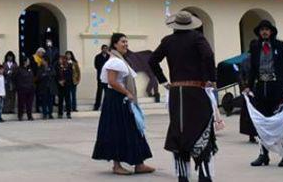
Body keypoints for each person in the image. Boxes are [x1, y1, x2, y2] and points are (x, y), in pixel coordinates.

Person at [149, 11, 217, 182]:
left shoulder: (168, 41)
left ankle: (182, 175)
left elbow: (152, 60)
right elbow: (208, 55)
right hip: (196, 91)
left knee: (179, 130)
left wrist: (163, 80)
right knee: (201, 129)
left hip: (176, 91)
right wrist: (211, 79)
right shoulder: (197, 38)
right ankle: (204, 174)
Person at [92, 33, 155, 176]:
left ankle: (139, 164)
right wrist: (127, 93)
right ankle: (117, 165)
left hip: (120, 99)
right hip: (117, 100)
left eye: (127, 41)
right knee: (118, 131)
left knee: (133, 130)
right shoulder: (115, 61)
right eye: (122, 42)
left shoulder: (120, 60)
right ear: (115, 44)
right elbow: (112, 82)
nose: (126, 44)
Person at [240, 19, 283, 168]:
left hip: (276, 86)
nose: (264, 32)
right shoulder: (255, 46)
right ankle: (263, 154)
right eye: (262, 29)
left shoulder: (280, 46)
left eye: (267, 29)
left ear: (271, 31)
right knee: (261, 122)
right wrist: (248, 86)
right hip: (261, 87)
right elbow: (252, 68)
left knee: (280, 121)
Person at [55, 55, 73, 119]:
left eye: (61, 59)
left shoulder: (69, 66)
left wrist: (64, 81)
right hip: (60, 85)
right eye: (59, 59)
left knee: (67, 100)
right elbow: (56, 75)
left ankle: (68, 113)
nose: (60, 60)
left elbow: (70, 75)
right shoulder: (57, 66)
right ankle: (60, 113)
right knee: (60, 100)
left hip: (67, 85)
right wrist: (59, 81)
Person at [94, 44, 110, 111]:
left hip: (108, 77)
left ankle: (106, 106)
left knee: (107, 93)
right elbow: (96, 66)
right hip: (100, 77)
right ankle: (97, 106)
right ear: (102, 49)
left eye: (106, 48)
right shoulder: (98, 56)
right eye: (104, 48)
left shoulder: (109, 57)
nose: (105, 49)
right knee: (99, 92)